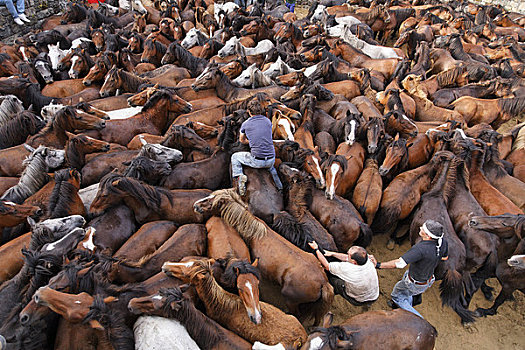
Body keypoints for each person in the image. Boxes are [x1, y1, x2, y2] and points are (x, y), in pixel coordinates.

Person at [371, 219, 448, 318]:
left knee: (397, 295)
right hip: (427, 279)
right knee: (408, 289)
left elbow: (399, 264)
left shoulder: (420, 249)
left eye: (423, 229)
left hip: (414, 282)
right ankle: (414, 298)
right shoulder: (442, 242)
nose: (420, 228)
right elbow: (444, 257)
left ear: (428, 236)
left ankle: (418, 318)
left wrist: (378, 265)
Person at [231, 99, 283, 195]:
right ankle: (279, 186)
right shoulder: (267, 121)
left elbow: (241, 140)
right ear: (261, 110)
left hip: (257, 161)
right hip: (271, 159)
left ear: (249, 111)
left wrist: (250, 142)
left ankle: (239, 177)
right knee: (272, 168)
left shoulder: (246, 124)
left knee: (234, 157)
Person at [308, 241, 379, 305]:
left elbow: (327, 266)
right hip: (374, 295)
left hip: (358, 299)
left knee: (331, 279)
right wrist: (332, 254)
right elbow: (347, 258)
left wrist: (316, 249)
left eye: (348, 254)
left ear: (354, 262)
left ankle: (325, 298)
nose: (347, 254)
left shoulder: (347, 269)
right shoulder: (368, 260)